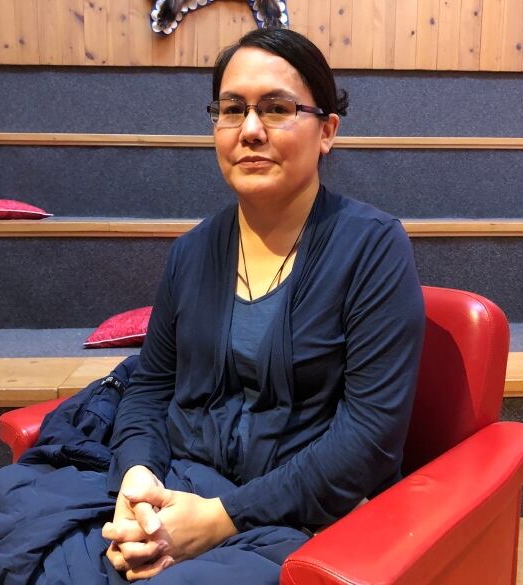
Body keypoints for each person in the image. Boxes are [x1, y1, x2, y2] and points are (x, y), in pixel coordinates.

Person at [99, 27, 426, 584]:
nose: (250, 130)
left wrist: (223, 518)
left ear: (327, 132)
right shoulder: (193, 250)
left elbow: (370, 438)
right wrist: (138, 484)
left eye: (277, 108)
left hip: (304, 514)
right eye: (232, 109)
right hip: (177, 482)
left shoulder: (374, 247)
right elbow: (151, 386)